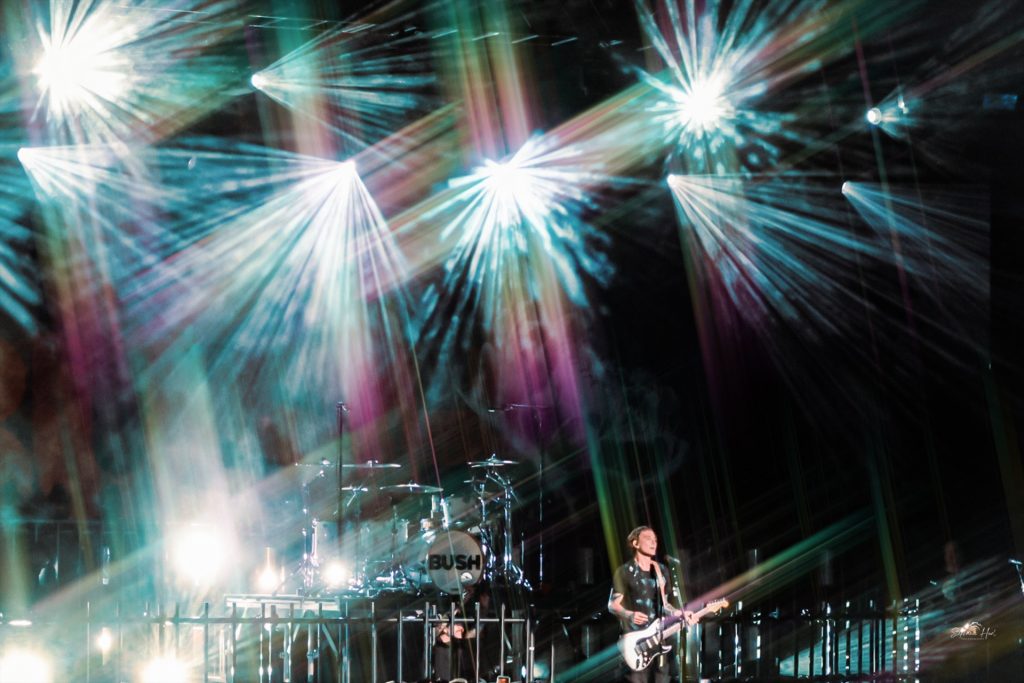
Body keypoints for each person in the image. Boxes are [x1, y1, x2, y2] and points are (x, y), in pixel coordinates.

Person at [608, 526, 693, 683]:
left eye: (655, 540)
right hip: (635, 643)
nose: (653, 543)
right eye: (648, 539)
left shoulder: (661, 570)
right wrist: (629, 614)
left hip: (659, 640)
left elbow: (665, 605)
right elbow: (612, 605)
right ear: (635, 543)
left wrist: (679, 613)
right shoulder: (624, 571)